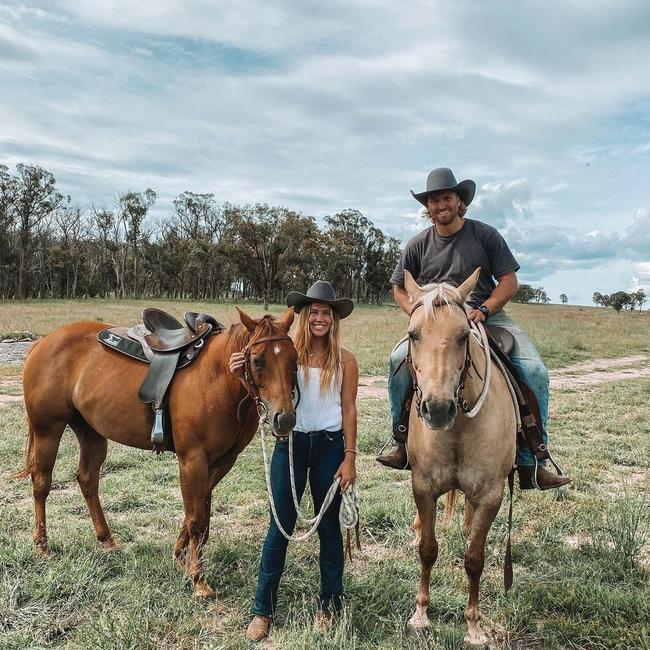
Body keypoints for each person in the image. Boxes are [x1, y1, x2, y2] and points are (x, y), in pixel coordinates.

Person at [377, 167, 571, 490]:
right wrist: (414, 310)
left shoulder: (485, 235)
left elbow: (509, 281)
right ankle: (401, 440)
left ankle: (533, 458)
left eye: (447, 197)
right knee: (397, 362)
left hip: (485, 315)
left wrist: (484, 309)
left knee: (535, 371)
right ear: (428, 207)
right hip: (436, 322)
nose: (441, 204)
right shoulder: (417, 244)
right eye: (434, 200)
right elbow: (398, 287)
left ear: (459, 201)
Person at [229, 280, 359, 641]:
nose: (320, 319)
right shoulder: (288, 353)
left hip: (331, 447)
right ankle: (262, 610)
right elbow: (263, 379)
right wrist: (241, 368)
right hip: (292, 445)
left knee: (330, 529)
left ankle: (330, 604)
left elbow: (349, 409)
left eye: (326, 313)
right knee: (279, 528)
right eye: (313, 312)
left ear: (334, 320)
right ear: (304, 316)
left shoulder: (346, 360)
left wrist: (350, 457)